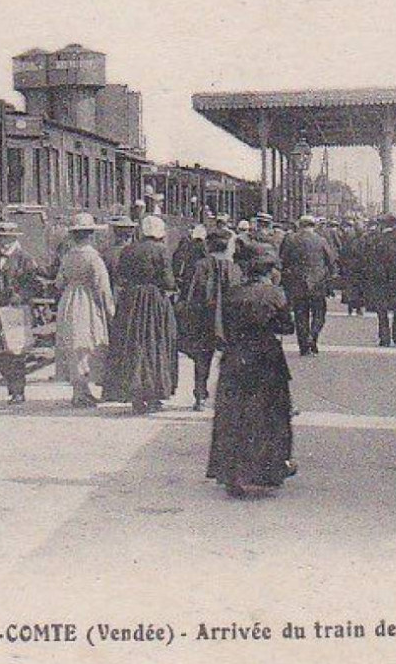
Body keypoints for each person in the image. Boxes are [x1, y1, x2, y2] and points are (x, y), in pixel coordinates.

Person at [205, 248, 297, 498]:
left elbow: (222, 326)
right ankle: (268, 469)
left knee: (235, 414)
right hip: (267, 357)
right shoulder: (275, 294)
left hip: (236, 357)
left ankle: (232, 472)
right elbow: (287, 327)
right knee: (270, 413)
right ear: (268, 271)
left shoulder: (233, 293)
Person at [104, 213, 180, 413]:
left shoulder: (128, 250)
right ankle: (154, 395)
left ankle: (135, 396)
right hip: (154, 301)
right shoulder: (161, 251)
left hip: (131, 301)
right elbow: (168, 282)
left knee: (132, 343)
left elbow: (120, 277)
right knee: (155, 343)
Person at [179, 223, 243, 411]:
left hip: (203, 319)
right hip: (228, 320)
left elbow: (189, 293)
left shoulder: (200, 266)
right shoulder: (234, 268)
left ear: (208, 246)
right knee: (231, 358)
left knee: (202, 358)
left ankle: (200, 397)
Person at [55, 212, 115, 408]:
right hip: (88, 301)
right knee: (88, 342)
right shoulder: (94, 258)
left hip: (69, 301)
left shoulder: (67, 256)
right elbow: (102, 286)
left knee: (73, 343)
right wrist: (109, 309)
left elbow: (59, 282)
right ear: (90, 235)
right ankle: (82, 393)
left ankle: (80, 391)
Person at [0, 219, 42, 405]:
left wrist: (21, 296)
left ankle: (18, 391)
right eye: (0, 238)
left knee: (16, 352)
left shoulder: (25, 259)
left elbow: (35, 285)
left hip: (16, 311)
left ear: (14, 238)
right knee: (1, 352)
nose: (3, 242)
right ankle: (10, 386)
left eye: (7, 238)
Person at [279, 213, 340, 356]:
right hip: (317, 283)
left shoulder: (291, 239)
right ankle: (313, 336)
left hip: (297, 282)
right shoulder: (321, 240)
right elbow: (330, 260)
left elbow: (283, 259)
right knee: (319, 313)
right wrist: (331, 275)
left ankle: (303, 346)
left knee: (301, 314)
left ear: (300, 225)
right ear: (314, 226)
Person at [367, 213, 396, 347]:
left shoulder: (377, 239)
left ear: (383, 225)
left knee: (382, 309)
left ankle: (384, 337)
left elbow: (370, 258)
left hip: (381, 278)